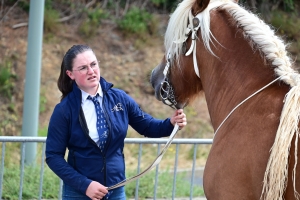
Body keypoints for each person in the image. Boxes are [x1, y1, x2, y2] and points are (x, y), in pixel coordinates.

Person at [45, 44, 187, 200]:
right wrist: (85, 185)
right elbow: (53, 156)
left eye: (93, 64)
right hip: (79, 193)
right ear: (70, 74)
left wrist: (171, 124)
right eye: (83, 68)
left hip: (116, 191)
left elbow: (147, 126)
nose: (91, 71)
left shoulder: (119, 98)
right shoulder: (64, 110)